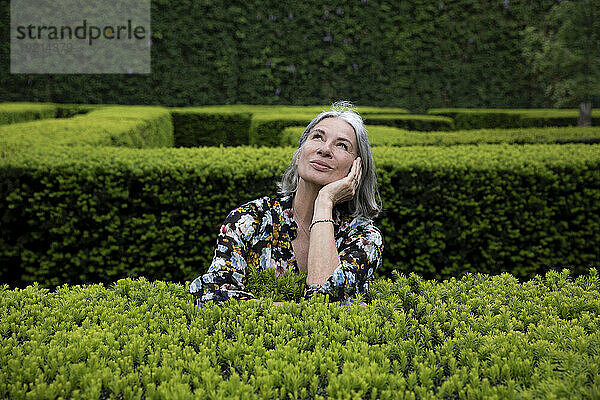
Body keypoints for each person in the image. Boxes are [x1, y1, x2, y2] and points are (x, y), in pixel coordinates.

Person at [190, 101, 383, 308]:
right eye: (318, 137)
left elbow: (325, 293)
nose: (325, 149)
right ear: (299, 153)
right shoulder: (249, 219)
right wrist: (297, 309)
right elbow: (210, 296)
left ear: (357, 168)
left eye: (342, 145)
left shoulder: (363, 237)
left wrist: (324, 202)